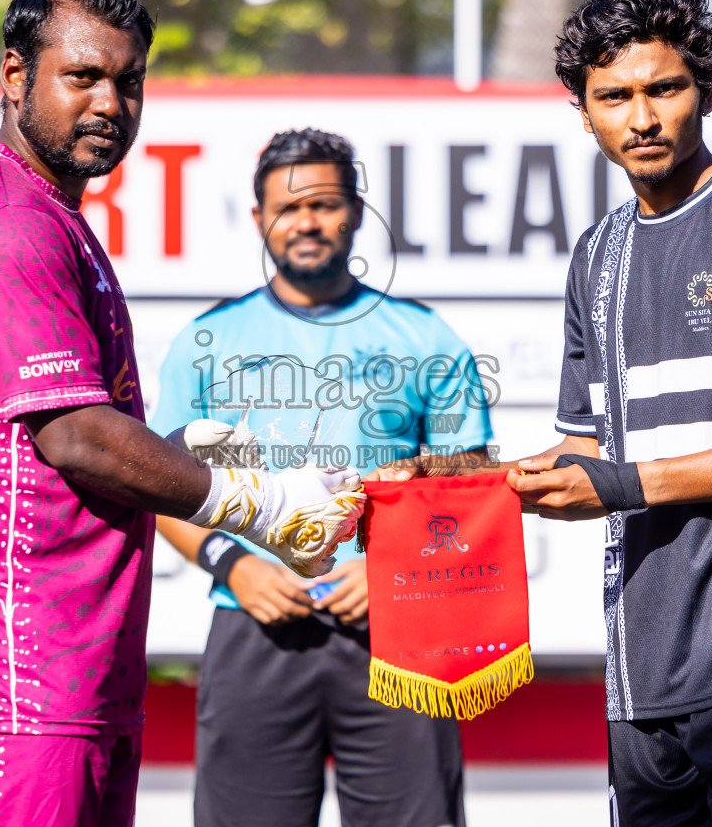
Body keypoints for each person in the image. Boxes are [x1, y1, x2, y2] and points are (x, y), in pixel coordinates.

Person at [0, 0, 363, 827]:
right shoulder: (12, 224)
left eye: (129, 81)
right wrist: (252, 502)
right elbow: (73, 433)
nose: (110, 103)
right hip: (11, 684)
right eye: (82, 76)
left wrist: (186, 451)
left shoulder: (56, 214)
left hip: (75, 674)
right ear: (13, 74)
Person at [388, 0, 712, 825]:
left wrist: (627, 484)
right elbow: (584, 456)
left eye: (663, 88)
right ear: (584, 112)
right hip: (641, 670)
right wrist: (460, 479)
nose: (640, 117)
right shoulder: (594, 256)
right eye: (613, 96)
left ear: (706, 91)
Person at [151, 128, 493, 827]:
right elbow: (164, 487)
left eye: (326, 204)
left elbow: (474, 475)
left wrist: (395, 566)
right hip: (253, 625)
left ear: (357, 212)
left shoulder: (423, 338)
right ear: (258, 220)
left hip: (401, 632)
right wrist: (234, 567)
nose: (306, 221)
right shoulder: (208, 341)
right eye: (287, 207)